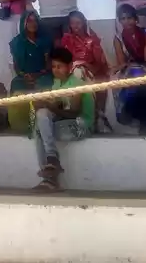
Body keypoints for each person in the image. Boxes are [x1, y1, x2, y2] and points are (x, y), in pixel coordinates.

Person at [31, 46, 94, 192]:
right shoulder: (57, 83)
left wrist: (49, 106)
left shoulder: (76, 84)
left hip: (81, 125)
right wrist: (41, 105)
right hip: (65, 123)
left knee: (41, 130)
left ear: (70, 67)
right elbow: (57, 108)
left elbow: (73, 113)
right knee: (41, 116)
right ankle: (52, 164)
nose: (56, 70)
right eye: (53, 66)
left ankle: (49, 177)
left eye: (60, 66)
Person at [112, 3, 146, 134]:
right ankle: (141, 118)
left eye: (129, 18)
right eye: (123, 18)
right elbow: (122, 63)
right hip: (129, 70)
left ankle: (139, 117)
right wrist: (128, 66)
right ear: (119, 21)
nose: (126, 22)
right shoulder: (118, 39)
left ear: (136, 19)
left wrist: (134, 65)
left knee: (139, 79)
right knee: (128, 80)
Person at [60, 10, 111, 132]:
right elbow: (62, 62)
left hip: (90, 73)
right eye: (72, 23)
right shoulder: (66, 40)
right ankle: (87, 119)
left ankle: (90, 120)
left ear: (84, 23)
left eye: (78, 22)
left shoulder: (92, 40)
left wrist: (83, 64)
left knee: (80, 73)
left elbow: (99, 65)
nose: (76, 26)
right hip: (71, 74)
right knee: (76, 74)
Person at [8, 11, 52, 136]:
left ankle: (42, 122)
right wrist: (24, 75)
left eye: (35, 20)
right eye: (29, 21)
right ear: (24, 23)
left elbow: (48, 64)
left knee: (46, 84)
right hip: (24, 76)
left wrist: (37, 75)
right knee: (15, 84)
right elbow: (16, 65)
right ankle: (23, 124)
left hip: (42, 75)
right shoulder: (16, 43)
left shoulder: (45, 40)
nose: (33, 24)